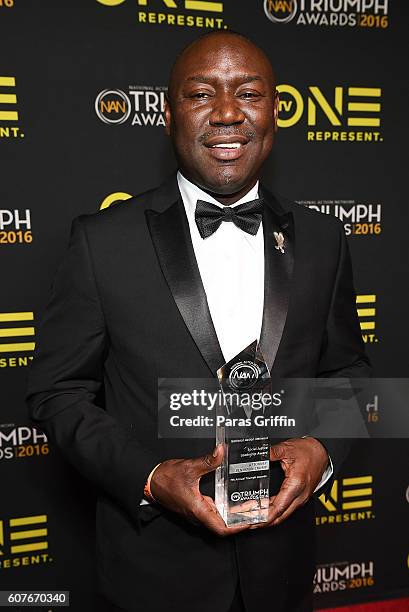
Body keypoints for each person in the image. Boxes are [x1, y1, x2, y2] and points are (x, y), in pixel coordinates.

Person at [26, 31, 370, 612]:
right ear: (167, 113)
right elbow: (57, 393)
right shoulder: (101, 242)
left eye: (249, 93)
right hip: (152, 578)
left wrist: (323, 449)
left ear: (276, 111)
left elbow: (351, 372)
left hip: (283, 577)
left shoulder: (323, 239)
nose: (229, 113)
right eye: (201, 94)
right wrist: (151, 476)